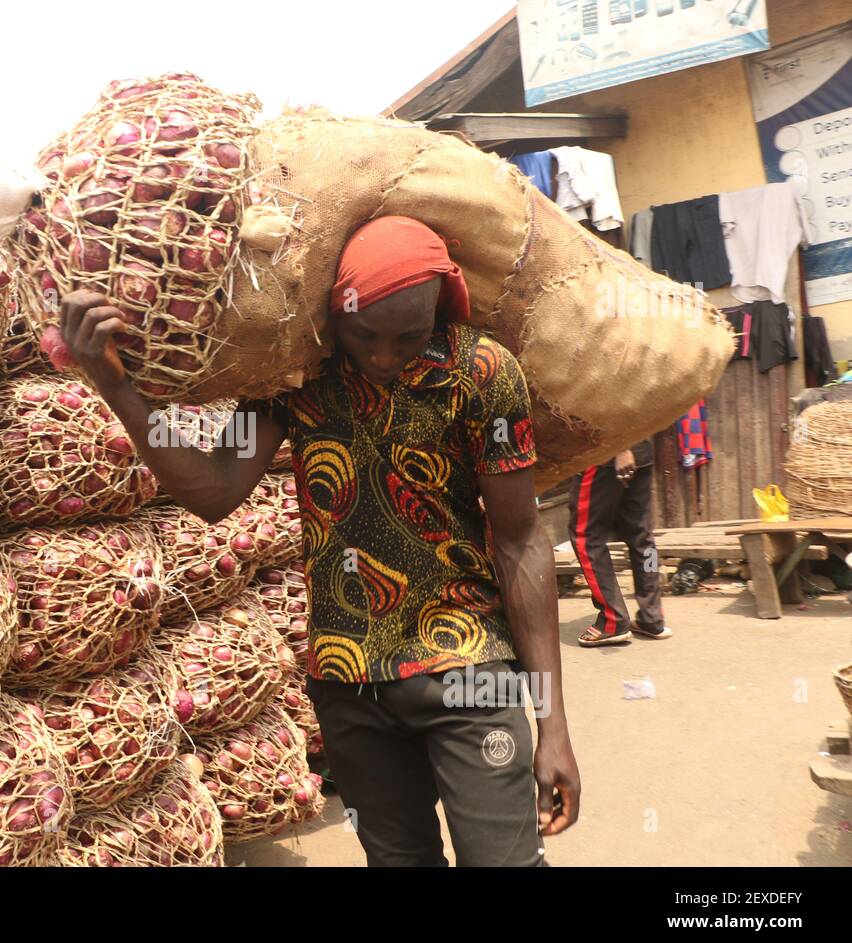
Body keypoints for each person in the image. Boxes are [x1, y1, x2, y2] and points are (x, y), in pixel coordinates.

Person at [59, 215, 580, 866]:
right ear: (337, 315)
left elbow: (521, 541)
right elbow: (213, 491)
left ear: (440, 312)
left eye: (408, 337)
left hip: (471, 674)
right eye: (366, 334)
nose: (385, 356)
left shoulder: (481, 372)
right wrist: (116, 387)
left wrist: (551, 724)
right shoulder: (295, 379)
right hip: (348, 681)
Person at [568, 439, 673, 646]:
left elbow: (611, 406)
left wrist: (621, 447)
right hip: (641, 452)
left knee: (585, 536)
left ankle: (612, 621)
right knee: (642, 537)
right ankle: (652, 617)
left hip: (607, 454)